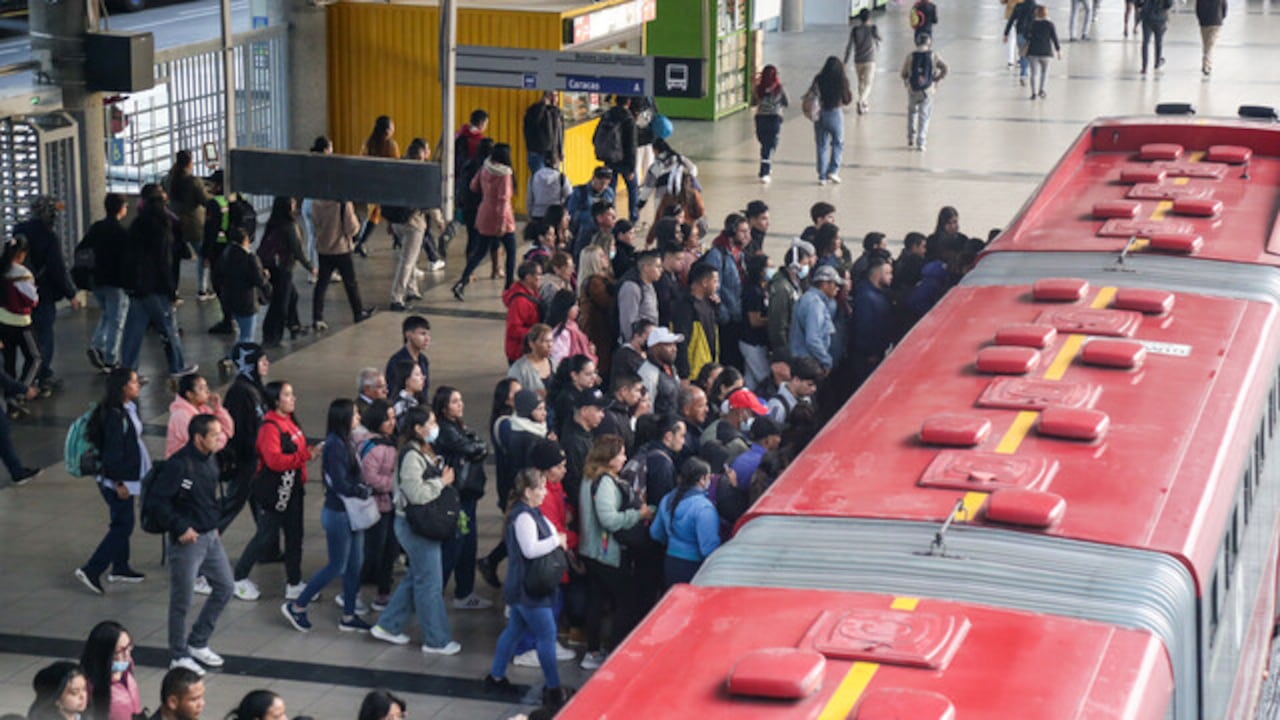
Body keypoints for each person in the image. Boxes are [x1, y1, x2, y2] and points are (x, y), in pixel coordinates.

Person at [369, 406, 462, 655]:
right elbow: (416, 493)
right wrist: (441, 482)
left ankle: (388, 625)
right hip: (415, 527)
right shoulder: (411, 455)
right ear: (419, 429)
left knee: (417, 577)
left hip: (418, 525)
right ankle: (436, 639)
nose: (435, 426)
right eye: (430, 423)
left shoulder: (421, 450)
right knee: (430, 583)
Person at [484, 469, 574, 710]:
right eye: (540, 488)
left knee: (514, 630)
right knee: (547, 635)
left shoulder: (530, 513)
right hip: (528, 589)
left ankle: (496, 676)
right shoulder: (523, 517)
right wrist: (557, 541)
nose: (544, 492)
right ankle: (554, 689)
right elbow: (530, 549)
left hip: (524, 586)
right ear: (528, 492)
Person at [282, 398, 373, 633]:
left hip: (352, 512)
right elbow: (340, 483)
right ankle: (298, 605)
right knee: (337, 565)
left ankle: (349, 614)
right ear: (343, 418)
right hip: (339, 513)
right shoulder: (335, 445)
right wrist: (361, 490)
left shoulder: (347, 440)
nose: (358, 418)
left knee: (355, 564)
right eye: (354, 414)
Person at [150, 413, 232, 675]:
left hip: (209, 536)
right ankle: (178, 653)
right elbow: (157, 502)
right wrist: (180, 526)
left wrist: (214, 525)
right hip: (188, 541)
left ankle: (198, 641)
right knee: (181, 599)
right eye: (214, 434)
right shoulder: (179, 465)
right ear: (199, 438)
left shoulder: (210, 459)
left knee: (225, 587)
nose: (219, 438)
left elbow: (207, 498)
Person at [234, 381, 316, 601]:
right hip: (276, 491)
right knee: (266, 534)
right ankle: (239, 577)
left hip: (294, 489)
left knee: (294, 535)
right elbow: (274, 461)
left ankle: (294, 581)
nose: (293, 398)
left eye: (292, 394)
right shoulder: (270, 427)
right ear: (275, 400)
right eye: (287, 395)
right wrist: (305, 456)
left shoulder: (289, 421)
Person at [578, 434, 653, 669]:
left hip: (590, 552)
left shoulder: (588, 479)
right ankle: (615, 650)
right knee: (625, 602)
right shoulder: (605, 483)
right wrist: (638, 515)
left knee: (596, 601)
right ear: (609, 458)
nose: (624, 458)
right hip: (606, 553)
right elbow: (609, 520)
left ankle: (592, 651)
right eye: (620, 454)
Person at [75, 368, 148, 595]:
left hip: (124, 475)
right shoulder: (115, 416)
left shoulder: (126, 408)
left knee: (121, 520)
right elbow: (112, 454)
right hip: (117, 479)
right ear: (123, 387)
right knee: (123, 524)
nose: (139, 385)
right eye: (135, 382)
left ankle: (120, 567)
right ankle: (92, 569)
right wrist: (118, 483)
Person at [118, 192, 196, 378]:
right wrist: (172, 293)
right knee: (169, 329)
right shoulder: (161, 229)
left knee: (133, 333)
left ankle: (128, 372)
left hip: (136, 287)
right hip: (156, 288)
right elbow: (163, 264)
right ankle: (176, 366)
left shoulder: (135, 226)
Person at [434, 386, 493, 611]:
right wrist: (478, 446)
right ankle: (438, 593)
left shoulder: (457, 427)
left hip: (467, 494)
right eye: (455, 401)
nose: (461, 404)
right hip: (457, 495)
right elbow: (472, 448)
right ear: (444, 407)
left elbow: (476, 446)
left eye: (460, 400)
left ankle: (464, 591)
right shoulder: (446, 431)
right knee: (455, 546)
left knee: (467, 544)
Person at [386, 139, 444, 313]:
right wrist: (439, 220)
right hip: (414, 222)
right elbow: (429, 201)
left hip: (396, 220)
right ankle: (396, 297)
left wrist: (389, 222)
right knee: (408, 260)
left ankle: (412, 289)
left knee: (409, 257)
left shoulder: (397, 169)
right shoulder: (422, 173)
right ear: (422, 154)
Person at [454, 143, 518, 300]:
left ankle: (461, 282)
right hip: (501, 217)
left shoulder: (485, 168)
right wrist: (502, 223)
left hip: (484, 213)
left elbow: (473, 186)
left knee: (480, 252)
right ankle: (509, 286)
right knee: (511, 251)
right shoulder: (505, 173)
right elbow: (503, 199)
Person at [219, 343, 269, 535]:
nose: (266, 364)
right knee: (233, 503)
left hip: (254, 458)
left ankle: (267, 547)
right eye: (262, 361)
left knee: (260, 503)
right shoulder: (240, 392)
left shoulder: (254, 388)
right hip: (245, 460)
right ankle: (203, 542)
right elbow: (239, 430)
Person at [649, 457, 720, 587]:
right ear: (702, 479)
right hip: (694, 568)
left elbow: (655, 533)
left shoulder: (667, 499)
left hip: (670, 563)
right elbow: (708, 549)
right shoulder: (704, 508)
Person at [355, 398, 399, 610]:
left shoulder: (389, 442)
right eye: (387, 419)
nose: (392, 422)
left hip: (388, 506)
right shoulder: (373, 447)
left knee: (389, 550)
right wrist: (394, 484)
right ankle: (354, 591)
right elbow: (370, 477)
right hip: (375, 507)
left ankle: (384, 592)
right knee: (375, 551)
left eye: (393, 418)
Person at [308, 197, 374, 332]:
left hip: (323, 248)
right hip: (341, 248)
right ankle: (358, 312)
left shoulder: (316, 203)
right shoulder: (343, 203)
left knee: (322, 284)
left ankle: (317, 317)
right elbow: (352, 228)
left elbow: (314, 223)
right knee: (351, 283)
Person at [83, 193, 131, 372]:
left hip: (96, 279)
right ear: (121, 209)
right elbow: (127, 260)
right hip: (116, 282)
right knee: (117, 320)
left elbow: (83, 249)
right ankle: (111, 358)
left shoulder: (97, 228)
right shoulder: (121, 233)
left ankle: (97, 345)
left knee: (108, 315)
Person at [258, 197, 314, 347]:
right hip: (283, 269)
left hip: (272, 267)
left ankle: (294, 325)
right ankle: (272, 335)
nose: (295, 206)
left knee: (292, 296)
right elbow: (297, 251)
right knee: (280, 303)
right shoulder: (288, 226)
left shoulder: (273, 223)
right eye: (293, 204)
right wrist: (311, 267)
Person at [219, 213, 272, 348]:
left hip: (231, 298)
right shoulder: (250, 258)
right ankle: (236, 359)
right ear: (245, 240)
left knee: (243, 334)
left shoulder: (226, 253)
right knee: (247, 336)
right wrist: (265, 275)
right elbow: (259, 280)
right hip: (246, 301)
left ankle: (234, 359)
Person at [0, 235, 40, 395]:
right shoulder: (23, 273)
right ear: (22, 254)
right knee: (35, 358)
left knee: (8, 361)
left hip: (2, 322)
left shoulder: (2, 269)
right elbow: (33, 300)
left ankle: (9, 395)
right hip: (22, 323)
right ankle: (23, 390)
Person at [356, 115, 400, 255]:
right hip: (387, 185)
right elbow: (397, 165)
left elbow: (362, 162)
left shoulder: (367, 143)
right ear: (387, 130)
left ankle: (396, 239)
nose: (394, 129)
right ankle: (360, 241)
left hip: (371, 184)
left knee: (376, 213)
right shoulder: (391, 145)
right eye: (392, 127)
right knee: (387, 213)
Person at [80, 621, 142, 720]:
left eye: (129, 647)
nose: (127, 655)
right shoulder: (88, 686)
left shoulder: (126, 669)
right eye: (120, 651)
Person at [166, 374, 234, 460]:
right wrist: (223, 436)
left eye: (206, 387)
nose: (207, 391)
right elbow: (204, 445)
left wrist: (218, 408)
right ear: (190, 394)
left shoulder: (202, 408)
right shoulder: (181, 416)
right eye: (201, 389)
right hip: (185, 466)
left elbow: (229, 430)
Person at [767, 239, 815, 364]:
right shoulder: (782, 288)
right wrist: (784, 350)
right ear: (795, 265)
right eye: (804, 264)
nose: (807, 268)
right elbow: (778, 323)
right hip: (787, 348)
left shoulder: (796, 284)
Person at [851, 257, 896, 385]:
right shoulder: (866, 297)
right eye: (887, 273)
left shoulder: (879, 294)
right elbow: (864, 327)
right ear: (877, 274)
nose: (891, 277)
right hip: (868, 357)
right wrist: (870, 352)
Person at [790, 265, 843, 372]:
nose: (838, 288)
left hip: (803, 360)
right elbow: (813, 339)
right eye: (835, 284)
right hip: (809, 363)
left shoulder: (808, 298)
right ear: (824, 284)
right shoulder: (815, 304)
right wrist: (826, 361)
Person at [901, 32, 948, 152]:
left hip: (912, 89)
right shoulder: (933, 55)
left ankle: (910, 136)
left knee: (912, 113)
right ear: (929, 42)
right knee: (924, 116)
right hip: (927, 90)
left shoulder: (910, 56)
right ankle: (921, 143)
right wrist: (937, 78)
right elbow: (945, 68)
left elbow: (903, 74)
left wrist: (907, 82)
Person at [672, 262, 720, 379]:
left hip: (709, 370)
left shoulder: (709, 303)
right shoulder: (685, 306)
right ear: (704, 282)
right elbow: (681, 341)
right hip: (693, 373)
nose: (717, 285)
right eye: (714, 281)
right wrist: (684, 374)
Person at [595, 95, 639, 222]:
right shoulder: (628, 118)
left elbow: (595, 138)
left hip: (609, 159)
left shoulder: (607, 115)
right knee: (632, 189)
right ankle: (633, 218)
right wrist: (631, 168)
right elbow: (631, 146)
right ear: (628, 102)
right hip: (625, 161)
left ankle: (611, 217)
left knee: (610, 190)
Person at [810, 56, 852, 185]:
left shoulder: (819, 79)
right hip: (835, 114)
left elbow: (812, 94)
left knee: (821, 145)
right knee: (837, 143)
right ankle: (833, 171)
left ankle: (822, 176)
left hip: (820, 114)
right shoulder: (842, 80)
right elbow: (847, 99)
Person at [576, 245, 617, 377]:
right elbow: (608, 303)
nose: (605, 257)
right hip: (598, 330)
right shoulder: (595, 283)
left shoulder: (604, 278)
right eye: (601, 256)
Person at [164, 150, 210, 267]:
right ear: (190, 163)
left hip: (174, 222)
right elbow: (205, 201)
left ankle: (173, 282)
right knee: (202, 256)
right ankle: (201, 285)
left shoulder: (168, 179)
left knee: (174, 257)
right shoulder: (194, 181)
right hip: (193, 225)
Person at [636, 139, 697, 226]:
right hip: (680, 197)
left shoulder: (655, 167)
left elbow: (647, 190)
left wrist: (639, 206)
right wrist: (688, 179)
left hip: (661, 199)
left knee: (664, 225)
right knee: (681, 223)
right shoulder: (679, 158)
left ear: (656, 150)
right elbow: (693, 169)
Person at [739, 254, 771, 392]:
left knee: (750, 381)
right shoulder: (753, 292)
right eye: (769, 267)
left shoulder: (762, 289)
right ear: (761, 270)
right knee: (764, 377)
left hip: (758, 342)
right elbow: (755, 321)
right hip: (752, 342)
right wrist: (774, 320)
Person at [750, 65, 787, 184]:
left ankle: (764, 170)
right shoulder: (779, 88)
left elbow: (753, 102)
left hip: (761, 118)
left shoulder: (758, 88)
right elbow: (786, 102)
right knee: (769, 144)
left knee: (764, 144)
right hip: (774, 118)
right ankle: (766, 168)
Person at [503, 261, 544, 364]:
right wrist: (537, 333)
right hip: (520, 352)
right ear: (528, 277)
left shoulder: (532, 292)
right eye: (538, 274)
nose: (540, 278)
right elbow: (513, 329)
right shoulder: (520, 302)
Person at [616, 252, 661, 347]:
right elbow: (628, 321)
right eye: (657, 267)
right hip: (637, 344)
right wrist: (634, 346)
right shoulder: (631, 287)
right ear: (646, 268)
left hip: (650, 341)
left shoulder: (650, 285)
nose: (661, 270)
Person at [385, 315, 432, 406]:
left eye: (428, 334)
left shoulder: (423, 360)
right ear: (408, 334)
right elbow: (393, 393)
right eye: (422, 334)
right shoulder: (397, 361)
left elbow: (425, 391)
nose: (427, 338)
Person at [638, 327, 682, 418]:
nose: (674, 349)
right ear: (655, 347)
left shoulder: (671, 368)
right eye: (668, 345)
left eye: (674, 345)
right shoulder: (648, 373)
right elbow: (647, 409)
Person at [843, 9, 882, 114]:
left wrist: (845, 61)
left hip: (858, 60)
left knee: (861, 83)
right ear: (869, 18)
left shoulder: (855, 30)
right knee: (868, 84)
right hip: (869, 60)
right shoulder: (873, 28)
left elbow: (849, 47)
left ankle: (864, 105)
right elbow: (880, 38)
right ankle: (861, 101)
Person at [547, 289, 596, 366]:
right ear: (566, 307)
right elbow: (559, 359)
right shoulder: (562, 333)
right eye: (575, 305)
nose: (578, 309)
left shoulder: (573, 326)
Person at [768, 357, 821, 425]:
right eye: (810, 385)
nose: (814, 389)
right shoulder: (778, 406)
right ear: (796, 380)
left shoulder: (808, 396)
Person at [566, 167, 616, 240]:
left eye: (606, 184)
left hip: (604, 229)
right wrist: (594, 217)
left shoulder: (609, 193)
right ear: (593, 178)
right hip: (583, 231)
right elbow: (571, 213)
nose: (603, 187)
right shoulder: (580, 192)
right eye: (601, 183)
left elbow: (613, 212)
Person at [508, 324, 556, 398]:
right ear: (532, 344)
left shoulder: (554, 364)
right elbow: (513, 398)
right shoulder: (519, 369)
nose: (550, 345)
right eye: (545, 341)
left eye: (552, 341)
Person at [524, 91, 565, 175]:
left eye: (556, 96)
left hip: (553, 155)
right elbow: (533, 123)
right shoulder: (534, 110)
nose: (554, 98)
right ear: (545, 96)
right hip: (537, 153)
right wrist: (542, 106)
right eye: (551, 95)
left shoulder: (557, 112)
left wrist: (560, 151)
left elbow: (560, 133)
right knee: (539, 181)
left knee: (553, 183)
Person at [1026, 5, 1062, 99]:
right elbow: (1054, 38)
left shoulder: (1032, 23)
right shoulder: (1050, 24)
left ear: (1037, 13)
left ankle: (1033, 93)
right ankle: (1042, 90)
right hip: (1046, 52)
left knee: (1034, 73)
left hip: (1033, 51)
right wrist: (1058, 50)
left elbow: (1027, 35)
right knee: (1044, 72)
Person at [527, 154, 572, 224]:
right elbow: (569, 196)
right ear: (556, 163)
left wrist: (530, 213)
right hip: (556, 215)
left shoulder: (533, 177)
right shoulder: (561, 178)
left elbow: (529, 199)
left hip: (537, 214)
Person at [1004, 0, 1038, 88]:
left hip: (1020, 32)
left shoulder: (1018, 6)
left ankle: (1023, 74)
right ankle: (1024, 73)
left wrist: (1006, 33)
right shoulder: (1036, 7)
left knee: (1023, 54)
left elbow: (1011, 20)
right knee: (1028, 55)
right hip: (1031, 33)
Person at [1139, 0, 1174, 74]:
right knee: (1158, 42)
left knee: (1145, 42)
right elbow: (1169, 4)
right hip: (1160, 18)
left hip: (1147, 18)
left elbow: (1138, 3)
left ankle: (1144, 67)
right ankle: (1157, 63)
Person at [1197, 0, 1227, 76]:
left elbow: (1198, 9)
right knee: (1210, 45)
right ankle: (1207, 65)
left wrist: (1200, 19)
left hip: (1204, 22)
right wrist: (1222, 17)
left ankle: (1206, 64)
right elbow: (1224, 7)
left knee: (1206, 44)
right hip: (1216, 22)